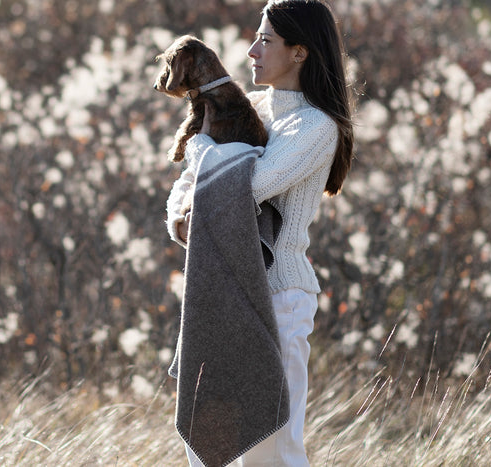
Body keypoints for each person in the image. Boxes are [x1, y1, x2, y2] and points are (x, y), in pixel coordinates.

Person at [164, 0, 354, 465]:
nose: (251, 51)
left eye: (266, 41)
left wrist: (206, 145)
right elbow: (184, 192)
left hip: (280, 299)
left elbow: (253, 185)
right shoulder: (250, 110)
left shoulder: (314, 127)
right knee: (206, 440)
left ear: (299, 53)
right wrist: (183, 218)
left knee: (272, 452)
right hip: (221, 290)